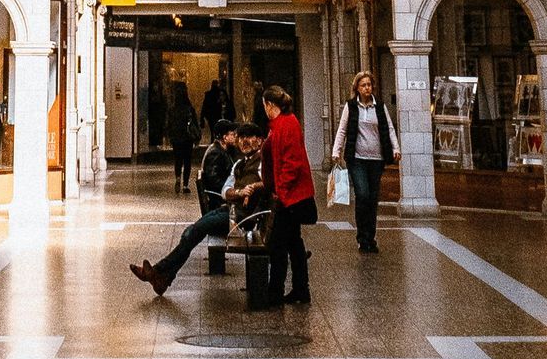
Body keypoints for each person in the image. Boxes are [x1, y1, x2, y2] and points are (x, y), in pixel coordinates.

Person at [129, 124, 259, 294]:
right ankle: (161, 277)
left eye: (249, 137)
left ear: (260, 140)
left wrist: (253, 187)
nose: (243, 141)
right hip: (230, 209)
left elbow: (267, 184)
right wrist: (237, 193)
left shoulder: (257, 163)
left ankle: (158, 272)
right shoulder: (239, 162)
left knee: (195, 230)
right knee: (190, 231)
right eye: (240, 137)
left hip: (243, 218)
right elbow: (226, 188)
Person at [259, 85, 316, 306]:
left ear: (270, 105)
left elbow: (292, 162)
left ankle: (275, 292)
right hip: (287, 194)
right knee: (293, 242)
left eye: (264, 105)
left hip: (290, 196)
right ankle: (301, 289)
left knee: (279, 244)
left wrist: (280, 192)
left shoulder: (287, 124)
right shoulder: (279, 124)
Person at [330, 69, 397, 253]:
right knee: (363, 195)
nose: (367, 88)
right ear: (357, 88)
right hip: (357, 158)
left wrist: (395, 148)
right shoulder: (351, 107)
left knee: (373, 198)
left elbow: (389, 128)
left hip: (376, 159)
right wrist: (336, 150)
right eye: (363, 85)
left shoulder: (380, 107)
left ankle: (370, 238)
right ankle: (362, 236)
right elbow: (342, 129)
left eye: (369, 85)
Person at [168, 82, 198, 191]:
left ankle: (177, 177)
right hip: (187, 138)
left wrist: (170, 136)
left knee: (178, 160)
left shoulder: (172, 109)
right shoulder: (189, 109)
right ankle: (185, 185)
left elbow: (169, 124)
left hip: (176, 138)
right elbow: (195, 123)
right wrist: (197, 137)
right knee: (187, 161)